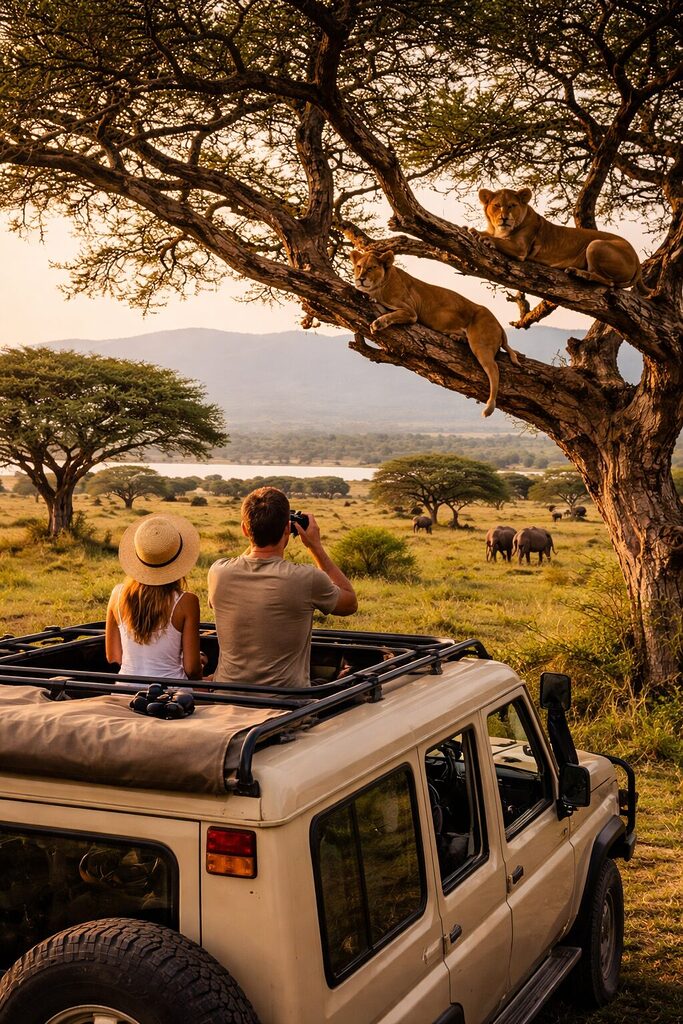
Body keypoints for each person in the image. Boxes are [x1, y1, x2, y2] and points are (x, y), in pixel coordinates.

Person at [208, 486, 357, 687]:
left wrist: (258, 532)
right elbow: (350, 603)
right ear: (287, 529)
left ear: (244, 529)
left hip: (226, 696)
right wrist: (315, 547)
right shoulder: (307, 578)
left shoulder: (218, 572)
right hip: (286, 703)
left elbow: (251, 554)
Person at [105, 514, 206, 681]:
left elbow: (113, 656)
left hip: (124, 691)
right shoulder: (187, 601)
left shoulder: (117, 594)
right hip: (170, 696)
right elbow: (192, 669)